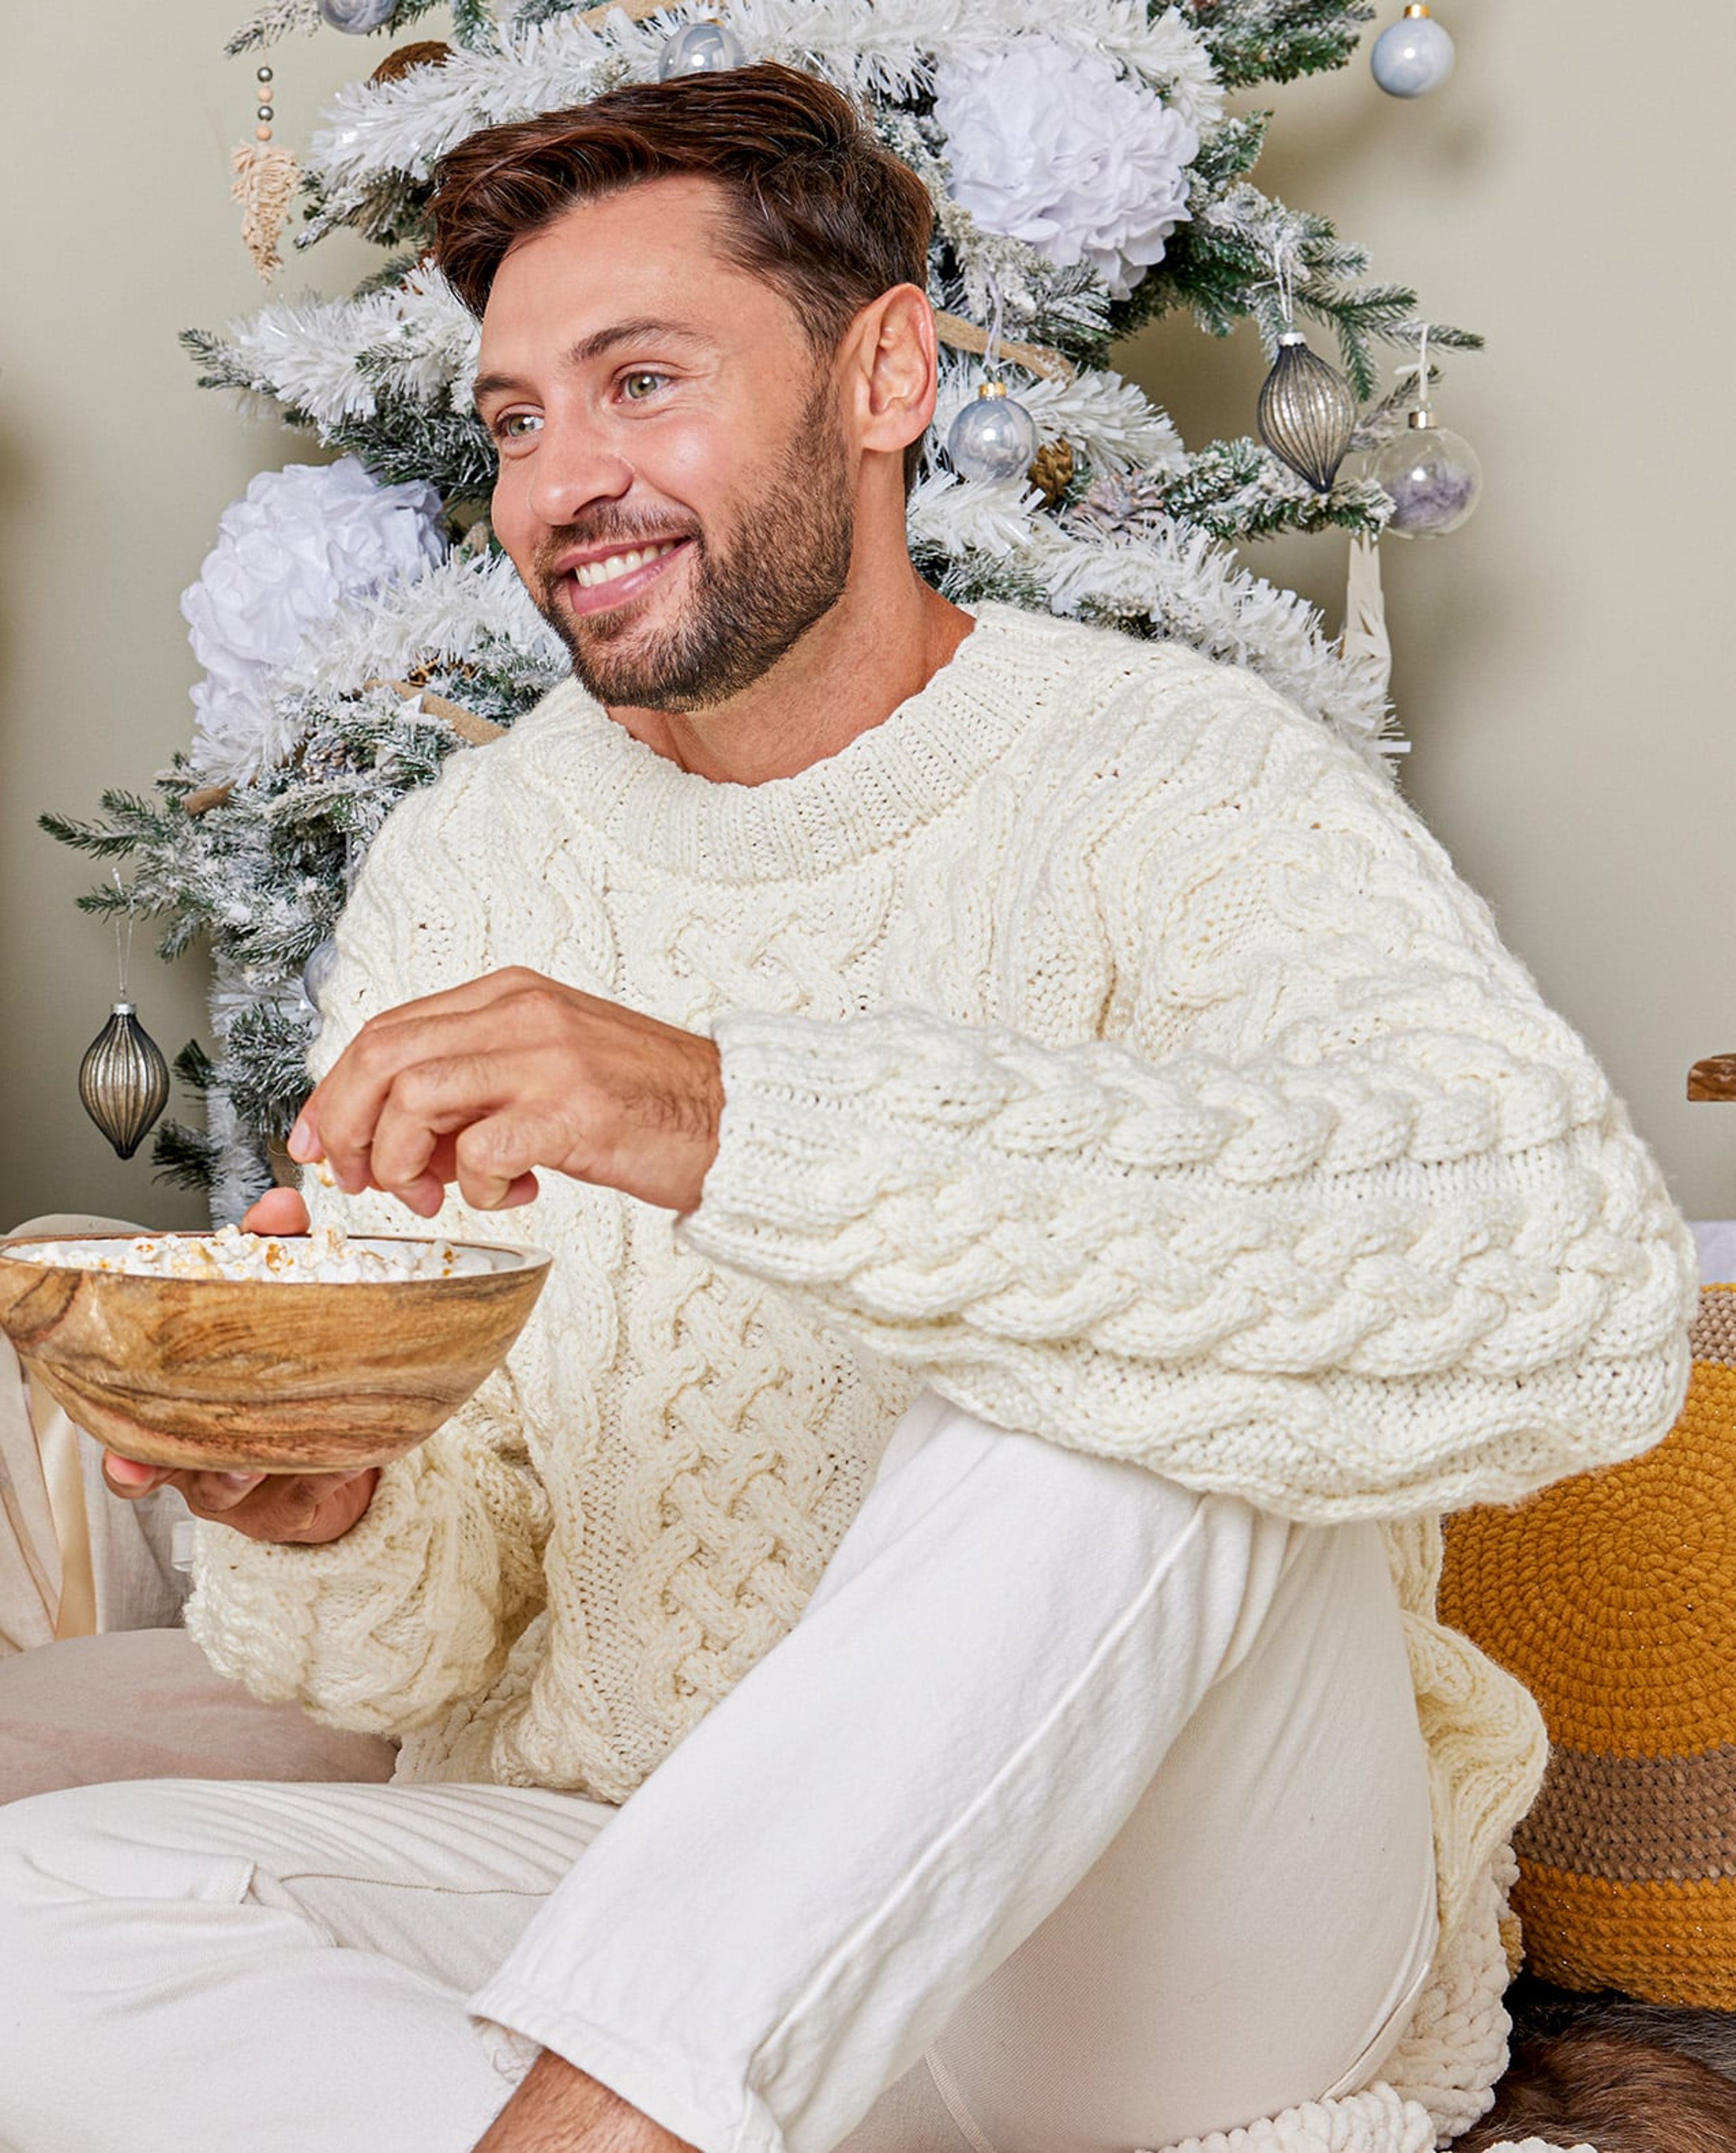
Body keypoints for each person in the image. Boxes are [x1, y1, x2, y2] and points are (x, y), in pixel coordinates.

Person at [0, 63, 1695, 2153]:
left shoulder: (1179, 771)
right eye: (515, 422)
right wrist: (333, 1502)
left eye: (641, 382)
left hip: (1152, 1939)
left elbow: (1574, 1292)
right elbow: (439, 1624)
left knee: (1110, 1358)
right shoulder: (468, 867)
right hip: (633, 1874)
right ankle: (672, 2098)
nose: (557, 484)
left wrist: (729, 1115)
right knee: (32, 1915)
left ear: (887, 373)